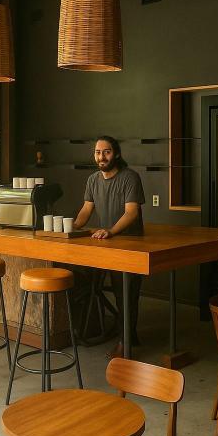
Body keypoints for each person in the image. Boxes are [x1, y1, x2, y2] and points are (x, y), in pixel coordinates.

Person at [73, 136, 145, 356]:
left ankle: (125, 343)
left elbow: (131, 212)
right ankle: (128, 335)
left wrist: (111, 231)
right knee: (103, 287)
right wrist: (70, 227)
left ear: (117, 154)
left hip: (130, 244)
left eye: (106, 152)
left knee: (126, 294)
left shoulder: (130, 177)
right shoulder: (93, 180)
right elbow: (86, 209)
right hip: (106, 244)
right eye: (97, 152)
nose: (101, 157)